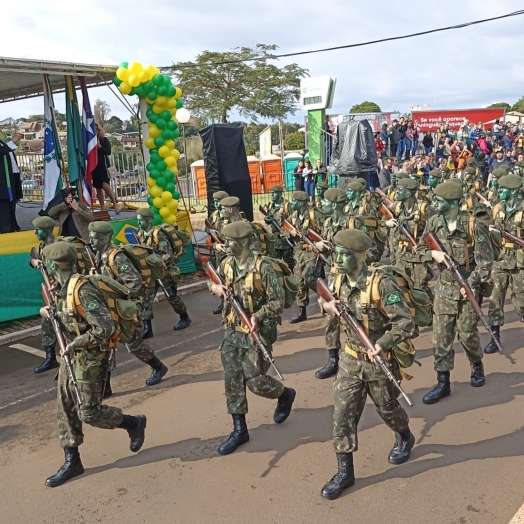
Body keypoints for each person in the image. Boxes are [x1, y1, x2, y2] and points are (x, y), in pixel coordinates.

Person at [319, 229, 416, 500]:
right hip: (350, 358)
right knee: (341, 415)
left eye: (345, 254)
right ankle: (345, 473)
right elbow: (324, 298)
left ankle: (405, 436)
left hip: (378, 361)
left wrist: (384, 343)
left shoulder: (381, 284)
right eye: (336, 252)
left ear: (360, 256)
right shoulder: (336, 278)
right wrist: (326, 307)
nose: (337, 258)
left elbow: (405, 322)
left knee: (388, 409)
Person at [40, 241, 146, 488]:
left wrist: (76, 343)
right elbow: (63, 313)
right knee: (65, 407)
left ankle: (133, 423)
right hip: (71, 357)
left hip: (90, 358)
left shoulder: (82, 290)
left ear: (56, 265)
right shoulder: (59, 287)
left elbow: (105, 328)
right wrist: (47, 312)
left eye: (47, 263)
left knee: (89, 413)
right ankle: (72, 461)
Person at [209, 221, 296, 455]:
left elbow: (277, 302)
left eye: (231, 241)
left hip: (257, 332)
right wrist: (214, 288)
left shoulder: (263, 268)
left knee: (256, 381)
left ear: (245, 241)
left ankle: (285, 394)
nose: (225, 245)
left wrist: (257, 316)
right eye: (225, 240)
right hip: (232, 331)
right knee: (233, 380)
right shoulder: (227, 264)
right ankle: (240, 430)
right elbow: (215, 282)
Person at [417, 181, 494, 404]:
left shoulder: (474, 225)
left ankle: (476, 364)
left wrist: (470, 282)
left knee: (468, 334)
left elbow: (486, 262)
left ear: (452, 203)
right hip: (444, 288)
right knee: (441, 338)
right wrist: (434, 256)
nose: (434, 203)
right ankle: (443, 382)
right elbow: (420, 248)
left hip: (467, 288)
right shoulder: (433, 222)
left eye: (439, 201)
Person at [88, 221, 168, 387]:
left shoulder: (117, 257)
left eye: (95, 238)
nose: (91, 241)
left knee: (133, 344)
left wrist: (113, 292)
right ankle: (105, 385)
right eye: (90, 237)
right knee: (105, 344)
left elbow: (134, 283)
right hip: (110, 307)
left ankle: (158, 367)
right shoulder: (99, 256)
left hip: (125, 307)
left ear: (106, 238)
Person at [314, 187, 380, 380]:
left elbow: (373, 249)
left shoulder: (354, 222)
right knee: (331, 315)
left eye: (325, 202)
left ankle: (370, 351)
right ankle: (333, 358)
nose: (322, 205)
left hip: (358, 276)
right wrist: (321, 248)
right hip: (336, 275)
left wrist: (354, 258)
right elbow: (329, 251)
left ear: (334, 204)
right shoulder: (327, 222)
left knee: (363, 314)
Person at [136, 209, 192, 334]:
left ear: (148, 220)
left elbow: (168, 255)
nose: (138, 223)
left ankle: (184, 317)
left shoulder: (158, 234)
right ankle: (147, 328)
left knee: (171, 296)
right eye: (138, 220)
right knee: (146, 298)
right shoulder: (141, 233)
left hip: (164, 271)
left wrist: (153, 260)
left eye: (140, 220)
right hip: (151, 272)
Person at [485, 174, 524, 352]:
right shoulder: (497, 209)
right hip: (500, 260)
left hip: (519, 262)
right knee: (495, 300)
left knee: (522, 301)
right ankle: (495, 336)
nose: (499, 191)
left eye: (504, 189)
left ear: (514, 191)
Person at [384, 178, 432, 298]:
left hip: (417, 258)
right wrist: (387, 223)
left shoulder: (424, 208)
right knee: (402, 289)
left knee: (421, 291)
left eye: (400, 190)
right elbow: (382, 215)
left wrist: (422, 246)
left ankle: (427, 314)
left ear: (409, 192)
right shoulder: (397, 206)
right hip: (400, 256)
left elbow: (432, 231)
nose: (396, 192)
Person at [30, 216, 59, 374]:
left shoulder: (57, 248)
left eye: (38, 229)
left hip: (61, 290)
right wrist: (34, 262)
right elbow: (33, 258)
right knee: (47, 322)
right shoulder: (43, 246)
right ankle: (50, 358)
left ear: (47, 230)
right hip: (50, 291)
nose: (35, 232)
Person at [287, 191, 322, 324]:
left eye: (294, 201)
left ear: (301, 202)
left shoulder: (314, 215)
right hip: (299, 254)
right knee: (299, 282)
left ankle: (328, 296)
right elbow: (284, 229)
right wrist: (290, 232)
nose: (292, 203)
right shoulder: (294, 216)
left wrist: (320, 245)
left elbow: (324, 232)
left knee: (310, 279)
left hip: (312, 253)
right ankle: (302, 311)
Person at [263, 185, 294, 269]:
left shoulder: (287, 206)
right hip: (275, 241)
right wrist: (267, 219)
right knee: (275, 264)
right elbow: (268, 217)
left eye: (274, 193)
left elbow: (293, 222)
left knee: (289, 264)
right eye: (271, 193)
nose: (272, 195)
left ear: (280, 194)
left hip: (285, 240)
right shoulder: (271, 206)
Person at [92, 124, 121, 213]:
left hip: (104, 166)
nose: (96, 131)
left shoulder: (104, 140)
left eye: (97, 129)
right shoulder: (90, 141)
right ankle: (102, 207)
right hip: (94, 166)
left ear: (100, 130)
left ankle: (115, 203)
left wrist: (100, 147)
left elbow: (108, 152)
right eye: (94, 129)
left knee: (105, 186)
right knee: (98, 188)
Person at [0, 133, 23, 233]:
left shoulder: (1, 142)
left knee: (11, 202)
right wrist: (13, 141)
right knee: (3, 205)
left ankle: (13, 225)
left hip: (9, 177)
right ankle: (5, 228)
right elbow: (2, 151)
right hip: (2, 180)